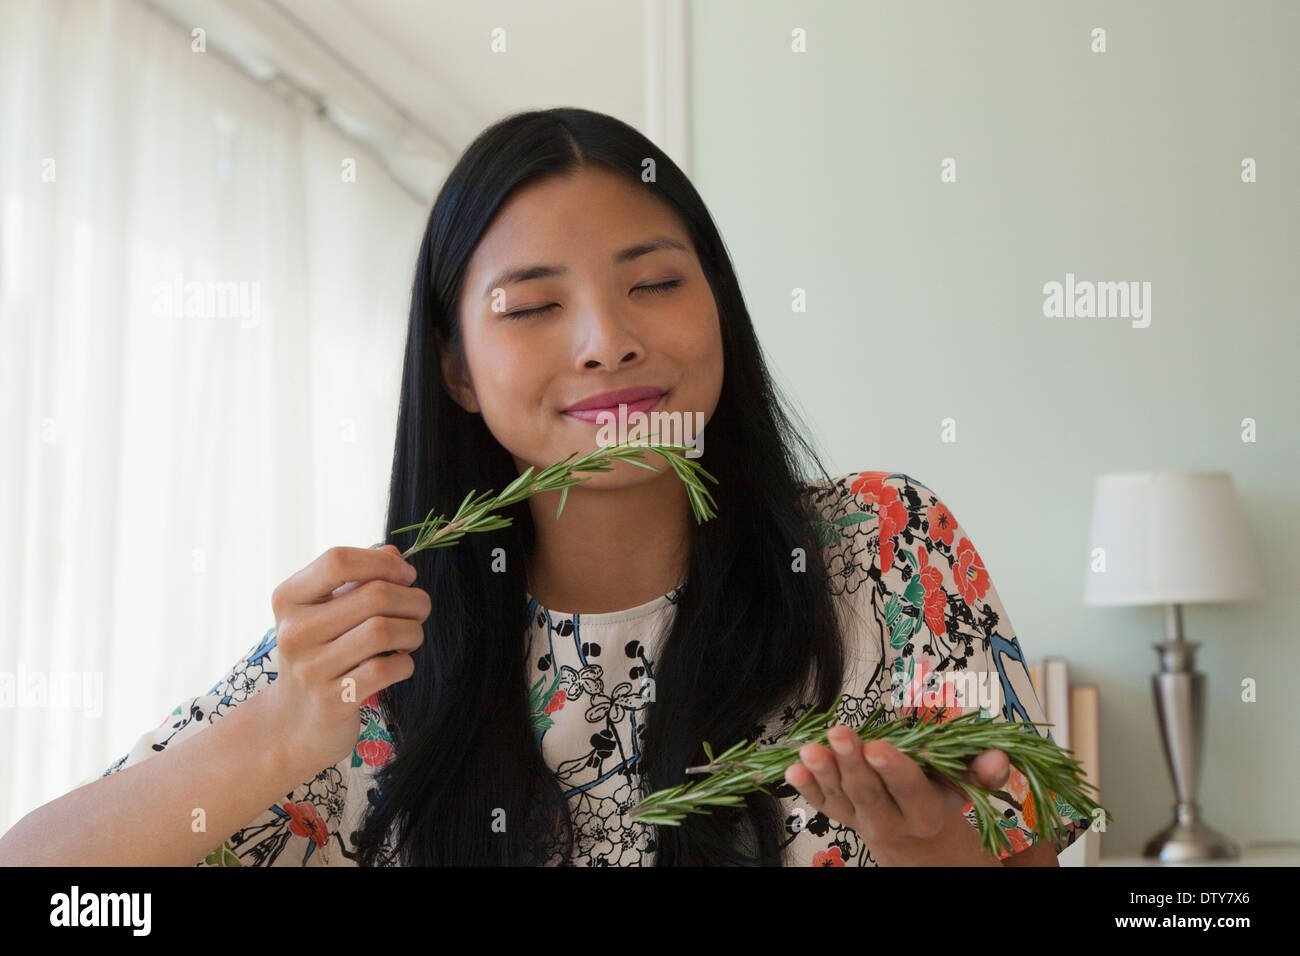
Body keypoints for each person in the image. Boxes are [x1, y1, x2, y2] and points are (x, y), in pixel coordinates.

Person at [0, 107, 1090, 867]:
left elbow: (1026, 844)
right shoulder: (379, 646)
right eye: (529, 307)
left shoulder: (883, 546)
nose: (607, 341)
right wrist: (280, 735)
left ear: (720, 309)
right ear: (456, 370)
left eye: (654, 283)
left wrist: (932, 854)